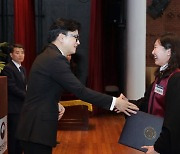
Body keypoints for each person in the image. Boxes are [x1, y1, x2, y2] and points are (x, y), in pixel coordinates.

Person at [15, 18, 139, 154]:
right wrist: (115, 102)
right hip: (36, 129)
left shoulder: (49, 55)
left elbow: (40, 90)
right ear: (61, 37)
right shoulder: (55, 59)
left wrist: (54, 102)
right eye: (75, 37)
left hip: (34, 128)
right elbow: (80, 91)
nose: (78, 42)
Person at [128, 33, 180, 154]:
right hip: (156, 135)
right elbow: (146, 102)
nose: (152, 52)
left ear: (169, 51)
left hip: (167, 143)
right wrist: (126, 104)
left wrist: (158, 148)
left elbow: (173, 119)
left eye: (155, 47)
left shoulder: (176, 79)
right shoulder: (160, 76)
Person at [1, 44, 27, 154]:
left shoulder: (22, 68)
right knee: (13, 136)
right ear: (11, 55)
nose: (20, 55)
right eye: (17, 52)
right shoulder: (8, 68)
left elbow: (24, 86)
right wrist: (28, 96)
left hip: (22, 107)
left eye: (22, 52)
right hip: (14, 108)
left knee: (21, 135)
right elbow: (12, 88)